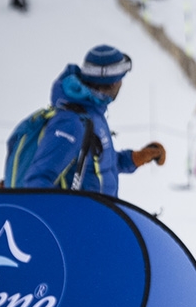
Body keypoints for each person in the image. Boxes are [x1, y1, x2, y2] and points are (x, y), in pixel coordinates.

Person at [16, 45, 166, 196]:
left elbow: (99, 165)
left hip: (100, 216)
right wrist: (66, 217)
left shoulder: (93, 114)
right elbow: (37, 182)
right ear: (114, 82)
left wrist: (136, 158)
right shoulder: (71, 123)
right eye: (122, 77)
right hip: (80, 218)